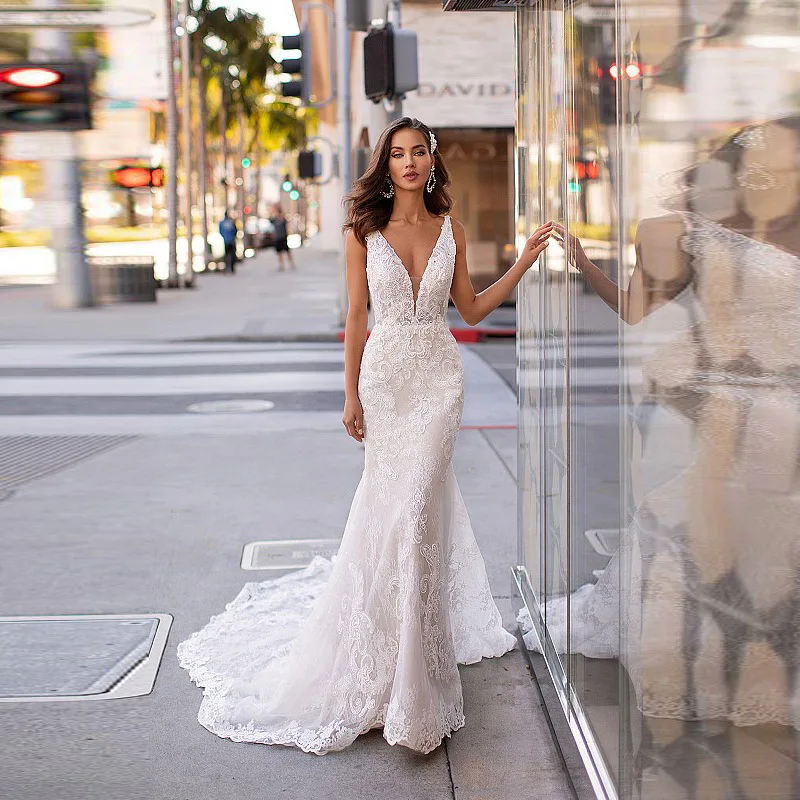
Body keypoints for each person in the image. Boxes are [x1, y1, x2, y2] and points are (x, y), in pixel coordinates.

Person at [177, 117, 553, 754]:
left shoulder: (450, 229)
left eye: (418, 153)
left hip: (437, 381)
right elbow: (356, 314)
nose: (408, 163)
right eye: (398, 153)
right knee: (393, 512)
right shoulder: (363, 229)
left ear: (432, 162)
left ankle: (417, 676)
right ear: (387, 163)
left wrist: (520, 263)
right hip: (385, 380)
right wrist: (349, 392)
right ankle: (384, 655)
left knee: (415, 513)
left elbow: (472, 310)